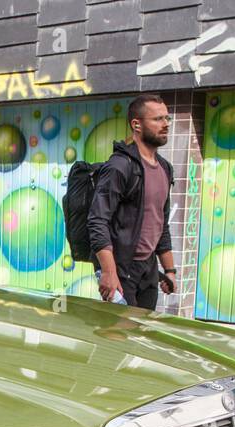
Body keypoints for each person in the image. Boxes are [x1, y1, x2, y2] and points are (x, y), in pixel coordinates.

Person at [87, 94, 178, 309]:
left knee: (143, 334)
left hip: (148, 270)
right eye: (157, 119)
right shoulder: (120, 166)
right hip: (119, 268)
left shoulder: (165, 168)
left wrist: (170, 271)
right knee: (120, 335)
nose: (165, 125)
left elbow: (160, 223)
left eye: (167, 119)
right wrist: (108, 272)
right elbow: (97, 220)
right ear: (136, 125)